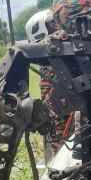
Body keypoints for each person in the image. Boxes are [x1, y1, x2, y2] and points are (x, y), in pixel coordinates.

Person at [25, 9, 66, 157]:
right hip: (61, 131)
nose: (58, 26)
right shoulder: (46, 67)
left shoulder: (58, 58)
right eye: (52, 24)